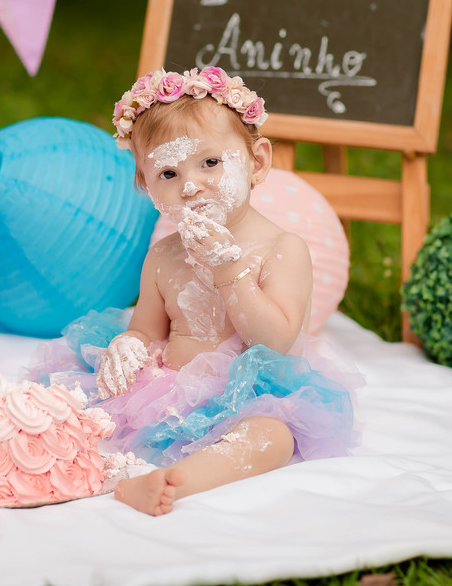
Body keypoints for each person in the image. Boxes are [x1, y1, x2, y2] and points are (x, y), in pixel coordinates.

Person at [30, 66, 361, 515]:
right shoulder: (163, 256)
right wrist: (130, 344)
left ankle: (177, 481)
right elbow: (147, 329)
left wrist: (228, 269)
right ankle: (62, 463)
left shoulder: (282, 249)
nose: (189, 186)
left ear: (257, 162)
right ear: (145, 185)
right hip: (166, 395)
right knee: (70, 404)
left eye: (210, 163)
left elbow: (276, 343)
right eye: (167, 172)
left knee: (274, 437)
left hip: (248, 398)